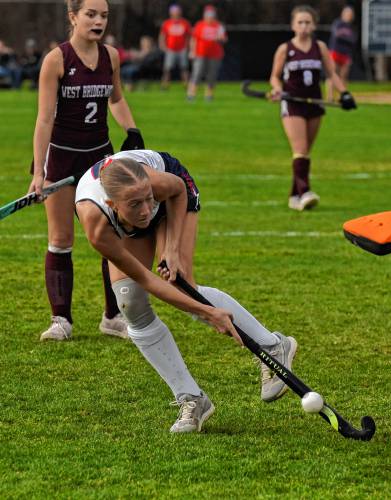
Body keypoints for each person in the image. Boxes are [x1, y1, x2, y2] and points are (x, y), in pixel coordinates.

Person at [74, 149, 299, 432]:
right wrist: (208, 313)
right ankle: (191, 398)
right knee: (131, 303)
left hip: (173, 197)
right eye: (135, 204)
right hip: (126, 218)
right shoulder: (96, 227)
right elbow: (146, 279)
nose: (145, 209)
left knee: (185, 286)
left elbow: (178, 190)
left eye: (147, 200)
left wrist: (171, 247)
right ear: (111, 204)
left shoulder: (154, 186)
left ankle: (273, 347)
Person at [30, 0, 144, 342]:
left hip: (99, 162)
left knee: (111, 237)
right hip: (62, 159)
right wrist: (39, 171)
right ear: (73, 17)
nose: (98, 21)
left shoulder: (110, 56)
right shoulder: (56, 60)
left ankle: (112, 317)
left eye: (104, 16)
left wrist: (132, 130)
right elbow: (45, 118)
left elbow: (117, 99)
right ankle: (61, 320)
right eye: (91, 14)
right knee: (61, 239)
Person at [269, 5, 356, 211]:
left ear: (314, 25)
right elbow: (274, 76)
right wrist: (278, 89)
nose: (304, 26)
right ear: (293, 25)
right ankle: (306, 192)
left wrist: (344, 93)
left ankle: (294, 196)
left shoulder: (320, 47)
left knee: (305, 152)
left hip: (315, 103)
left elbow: (331, 73)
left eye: (308, 22)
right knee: (299, 149)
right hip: (293, 103)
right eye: (300, 22)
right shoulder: (285, 49)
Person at [187, 5, 227, 101]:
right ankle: (191, 94)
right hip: (200, 53)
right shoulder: (199, 25)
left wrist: (221, 39)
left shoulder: (219, 26)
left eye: (211, 14)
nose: (209, 17)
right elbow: (193, 39)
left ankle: (208, 95)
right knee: (197, 73)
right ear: (204, 15)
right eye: (208, 14)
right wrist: (192, 51)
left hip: (215, 54)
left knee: (212, 75)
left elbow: (224, 39)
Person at [326, 5, 357, 102]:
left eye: (351, 14)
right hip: (335, 52)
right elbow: (337, 35)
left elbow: (353, 40)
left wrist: (344, 38)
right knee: (332, 74)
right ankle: (330, 97)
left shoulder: (352, 27)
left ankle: (342, 97)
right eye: (347, 13)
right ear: (343, 14)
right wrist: (346, 39)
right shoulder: (338, 23)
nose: (349, 15)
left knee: (343, 76)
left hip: (346, 54)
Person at [159, 4, 191, 90]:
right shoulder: (167, 23)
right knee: (167, 69)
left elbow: (189, 36)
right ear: (171, 13)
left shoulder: (185, 23)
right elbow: (162, 35)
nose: (176, 14)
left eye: (177, 12)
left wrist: (187, 47)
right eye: (174, 12)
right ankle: (165, 85)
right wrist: (162, 45)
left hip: (182, 49)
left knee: (184, 68)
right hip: (170, 49)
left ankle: (186, 85)